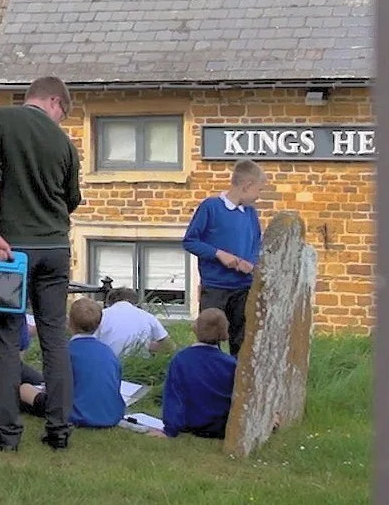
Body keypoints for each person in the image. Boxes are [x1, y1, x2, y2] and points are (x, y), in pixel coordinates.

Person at [0, 75, 84, 452]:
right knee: (55, 337)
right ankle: (59, 430)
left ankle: (7, 433)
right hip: (55, 249)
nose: (60, 121)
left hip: (7, 250)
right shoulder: (66, 146)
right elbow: (71, 200)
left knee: (4, 340)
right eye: (63, 113)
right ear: (54, 99)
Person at [182, 158, 267, 357]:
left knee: (242, 339)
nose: (258, 196)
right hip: (216, 287)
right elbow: (190, 241)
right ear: (247, 186)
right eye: (259, 190)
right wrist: (218, 254)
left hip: (243, 287)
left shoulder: (250, 213)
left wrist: (251, 264)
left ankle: (237, 383)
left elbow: (256, 244)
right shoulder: (211, 207)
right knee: (210, 339)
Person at [161, 308, 238, 439]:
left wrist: (170, 429)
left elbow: (174, 397)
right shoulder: (231, 364)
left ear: (195, 328)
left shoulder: (181, 360)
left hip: (191, 425)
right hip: (221, 427)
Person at [67, 297, 125, 429]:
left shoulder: (66, 351)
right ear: (99, 324)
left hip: (76, 414)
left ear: (69, 322)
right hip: (112, 415)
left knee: (25, 389)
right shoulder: (108, 352)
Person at [96, 288, 174, 360]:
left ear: (109, 303)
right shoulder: (147, 316)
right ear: (135, 303)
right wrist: (147, 345)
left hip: (108, 363)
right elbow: (169, 346)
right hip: (140, 366)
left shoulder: (101, 315)